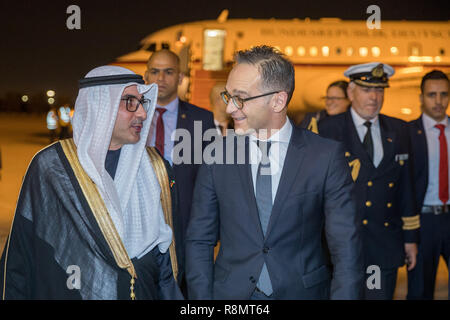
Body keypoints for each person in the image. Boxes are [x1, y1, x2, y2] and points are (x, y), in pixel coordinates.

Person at [185, 45, 363, 300]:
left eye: (241, 98)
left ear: (278, 100)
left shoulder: (325, 157)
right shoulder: (216, 155)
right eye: (228, 97)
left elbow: (345, 246)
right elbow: (199, 240)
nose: (230, 109)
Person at [0, 66, 183, 300]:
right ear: (100, 107)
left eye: (142, 103)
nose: (143, 114)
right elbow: (21, 257)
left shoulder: (155, 167)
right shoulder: (52, 167)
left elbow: (165, 265)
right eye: (129, 102)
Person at [319, 62, 420, 300]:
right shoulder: (328, 130)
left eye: (380, 90)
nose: (374, 97)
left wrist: (410, 240)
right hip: (339, 246)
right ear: (350, 92)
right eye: (366, 90)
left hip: (382, 245)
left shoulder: (399, 130)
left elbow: (406, 188)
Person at [144, 49, 215, 294]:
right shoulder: (132, 117)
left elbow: (211, 180)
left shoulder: (202, 120)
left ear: (181, 77)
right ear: (146, 76)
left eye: (169, 72)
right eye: (155, 71)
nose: (161, 78)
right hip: (140, 224)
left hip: (185, 229)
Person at [407, 70, 450, 300]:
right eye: (432, 95)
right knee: (420, 291)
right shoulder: (407, 134)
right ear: (421, 97)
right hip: (423, 223)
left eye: (444, 94)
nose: (438, 101)